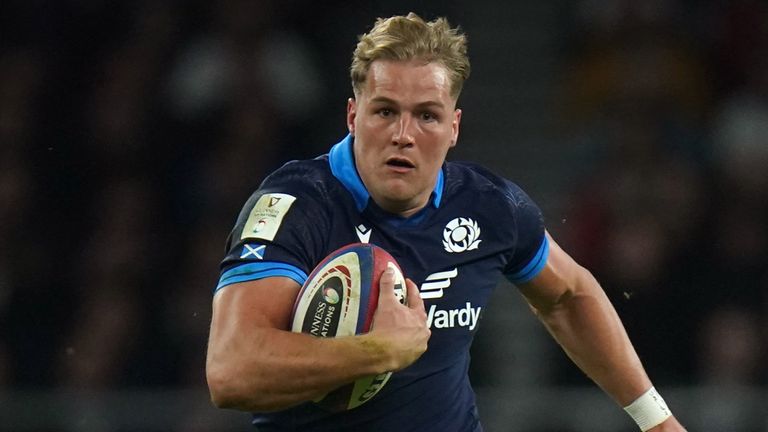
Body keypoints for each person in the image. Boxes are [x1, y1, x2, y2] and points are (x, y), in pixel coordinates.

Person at [206, 12, 687, 432]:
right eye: (385, 111)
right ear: (353, 116)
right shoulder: (296, 206)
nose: (403, 134)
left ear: (453, 128)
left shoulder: (487, 204)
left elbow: (567, 295)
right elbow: (231, 370)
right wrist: (378, 352)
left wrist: (655, 417)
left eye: (426, 116)